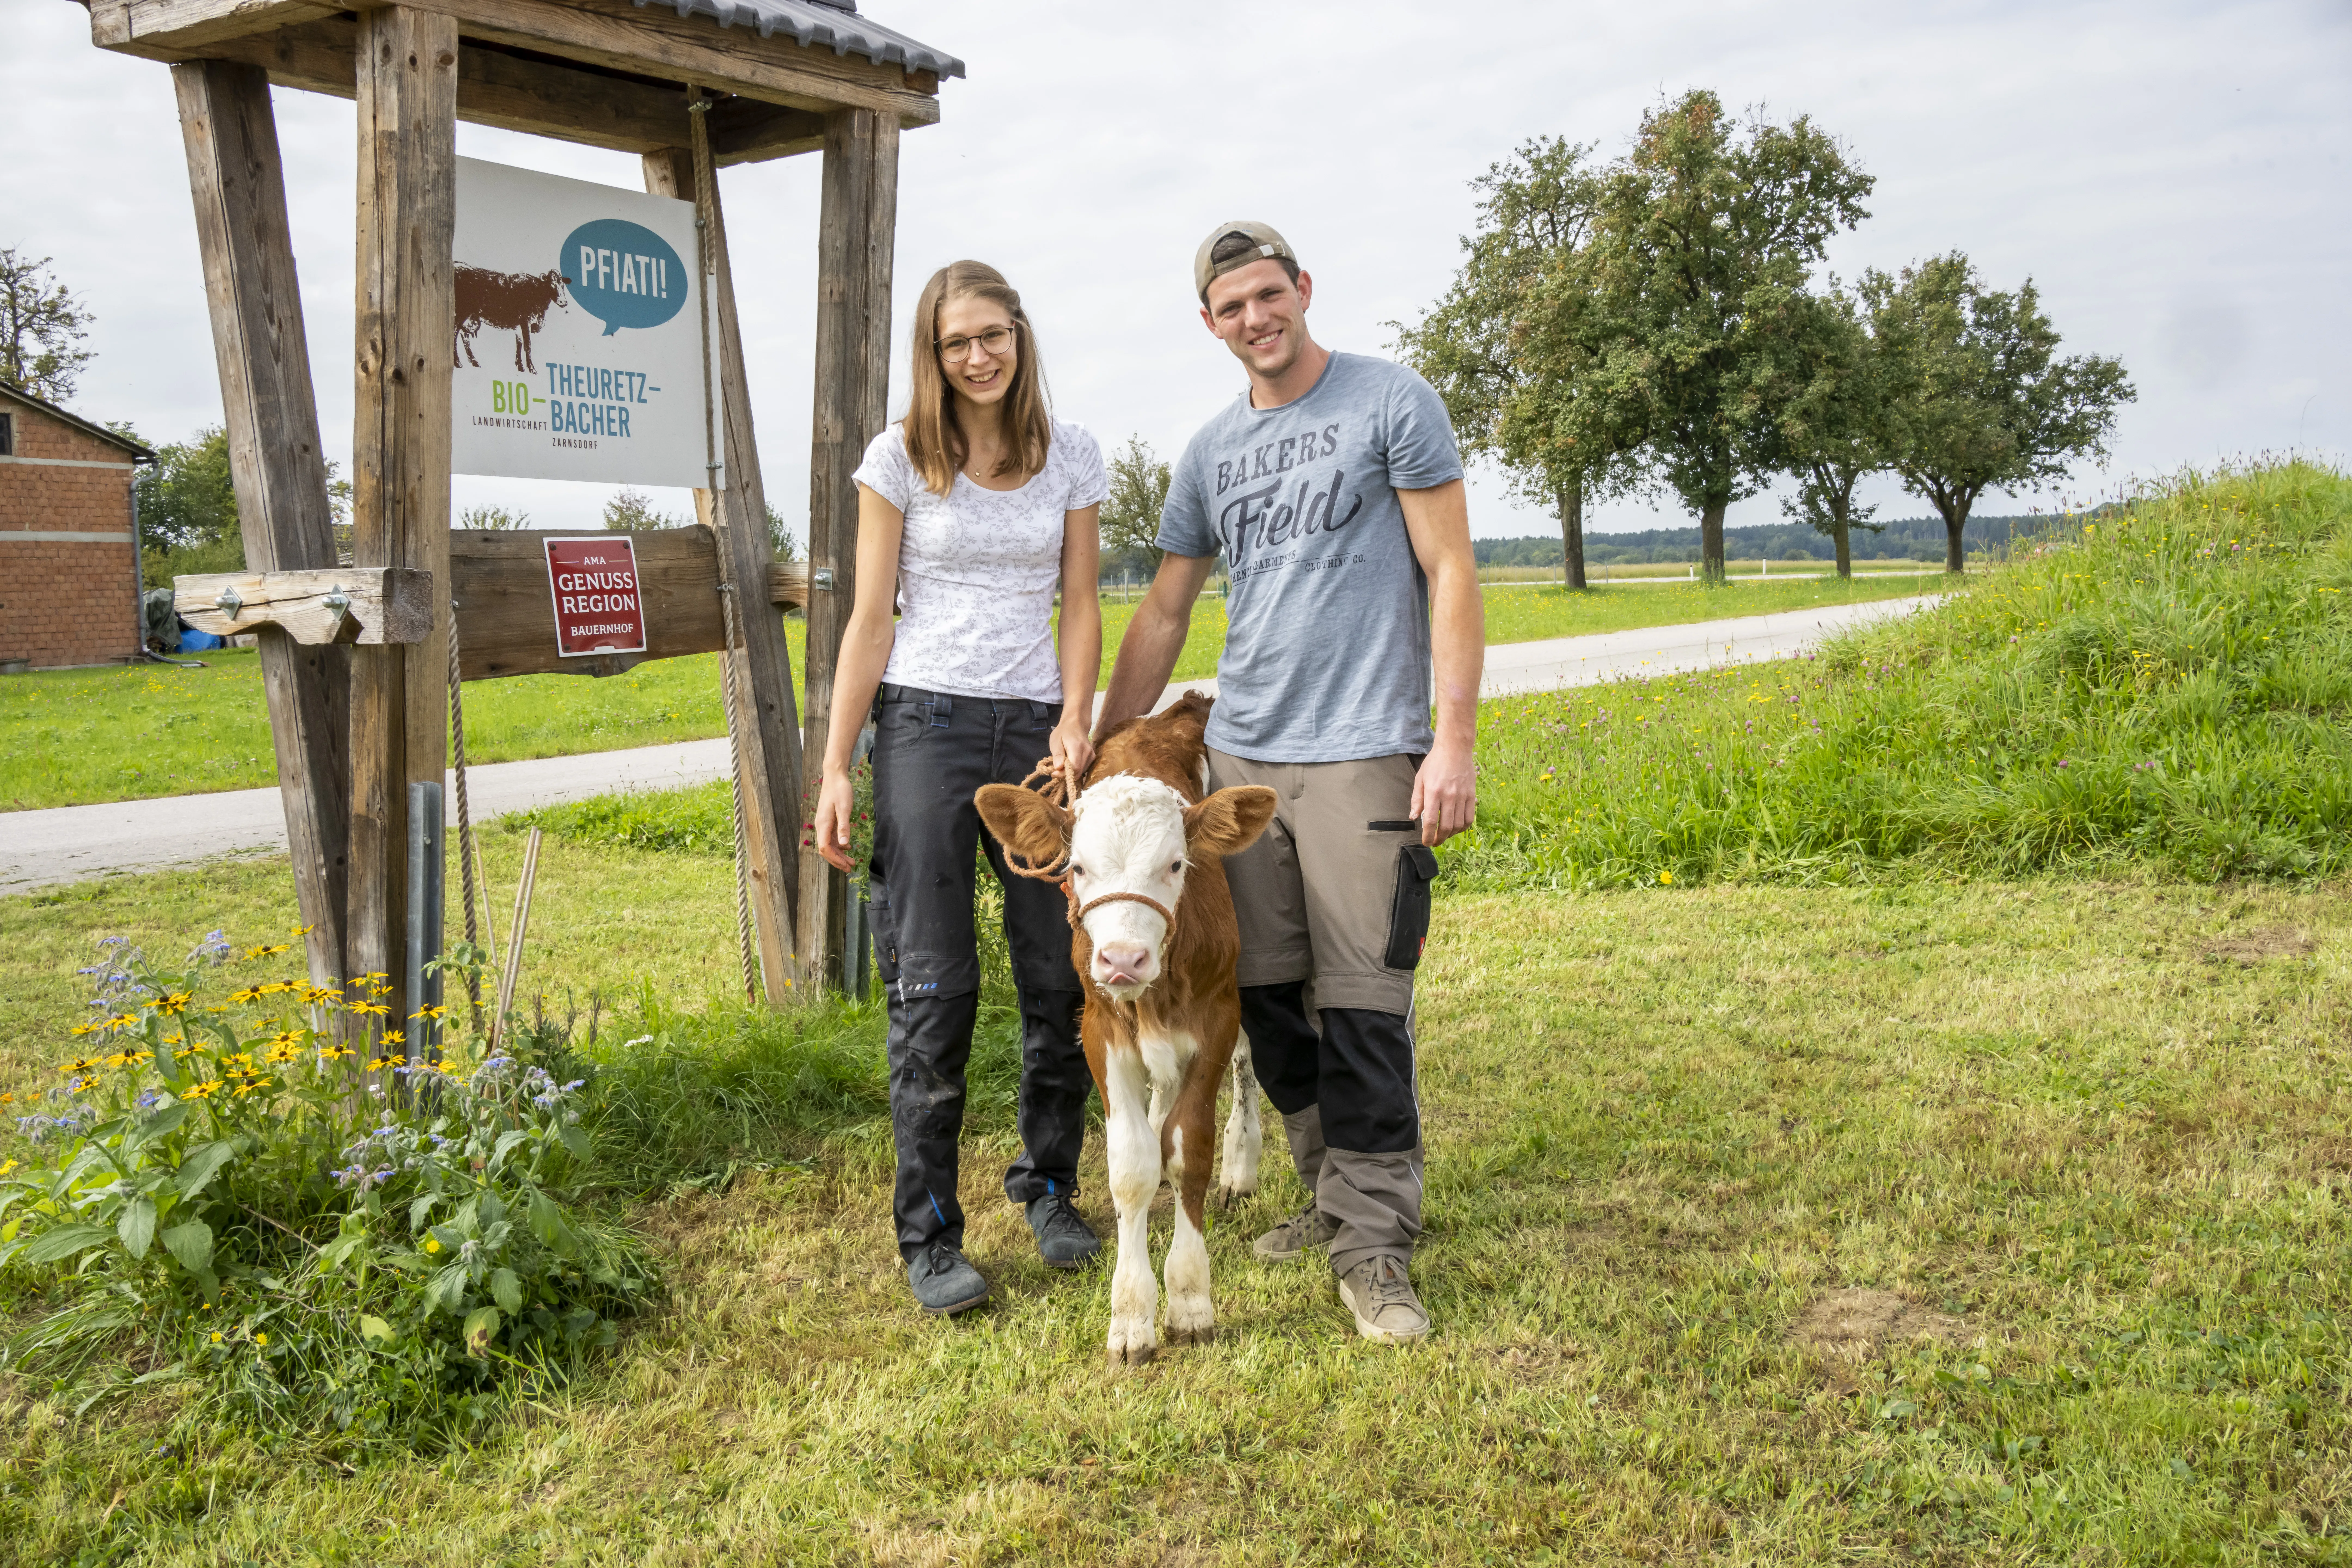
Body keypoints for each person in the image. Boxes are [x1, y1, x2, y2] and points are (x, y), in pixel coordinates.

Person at [1094, 222, 1483, 1344]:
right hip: (1246, 756)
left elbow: (1449, 566)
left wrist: (1449, 742)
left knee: (1363, 1000)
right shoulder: (1212, 452)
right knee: (1266, 996)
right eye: (1232, 307)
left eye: (1270, 295)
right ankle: (1332, 1192)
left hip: (1364, 746)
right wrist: (1113, 740)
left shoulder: (1389, 402)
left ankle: (1375, 1249)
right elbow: (1168, 607)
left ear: (1304, 291)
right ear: (1209, 324)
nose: (1256, 319)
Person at [811, 260, 1108, 1316]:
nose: (978, 356)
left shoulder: (1070, 454)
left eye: (994, 335)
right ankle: (931, 1234)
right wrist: (839, 763)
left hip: (1034, 735)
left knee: (1056, 976)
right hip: (925, 727)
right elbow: (870, 618)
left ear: (1020, 338)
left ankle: (1051, 1187)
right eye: (956, 342)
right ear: (932, 357)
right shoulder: (897, 460)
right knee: (934, 985)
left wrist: (1078, 716)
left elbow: (1079, 599)